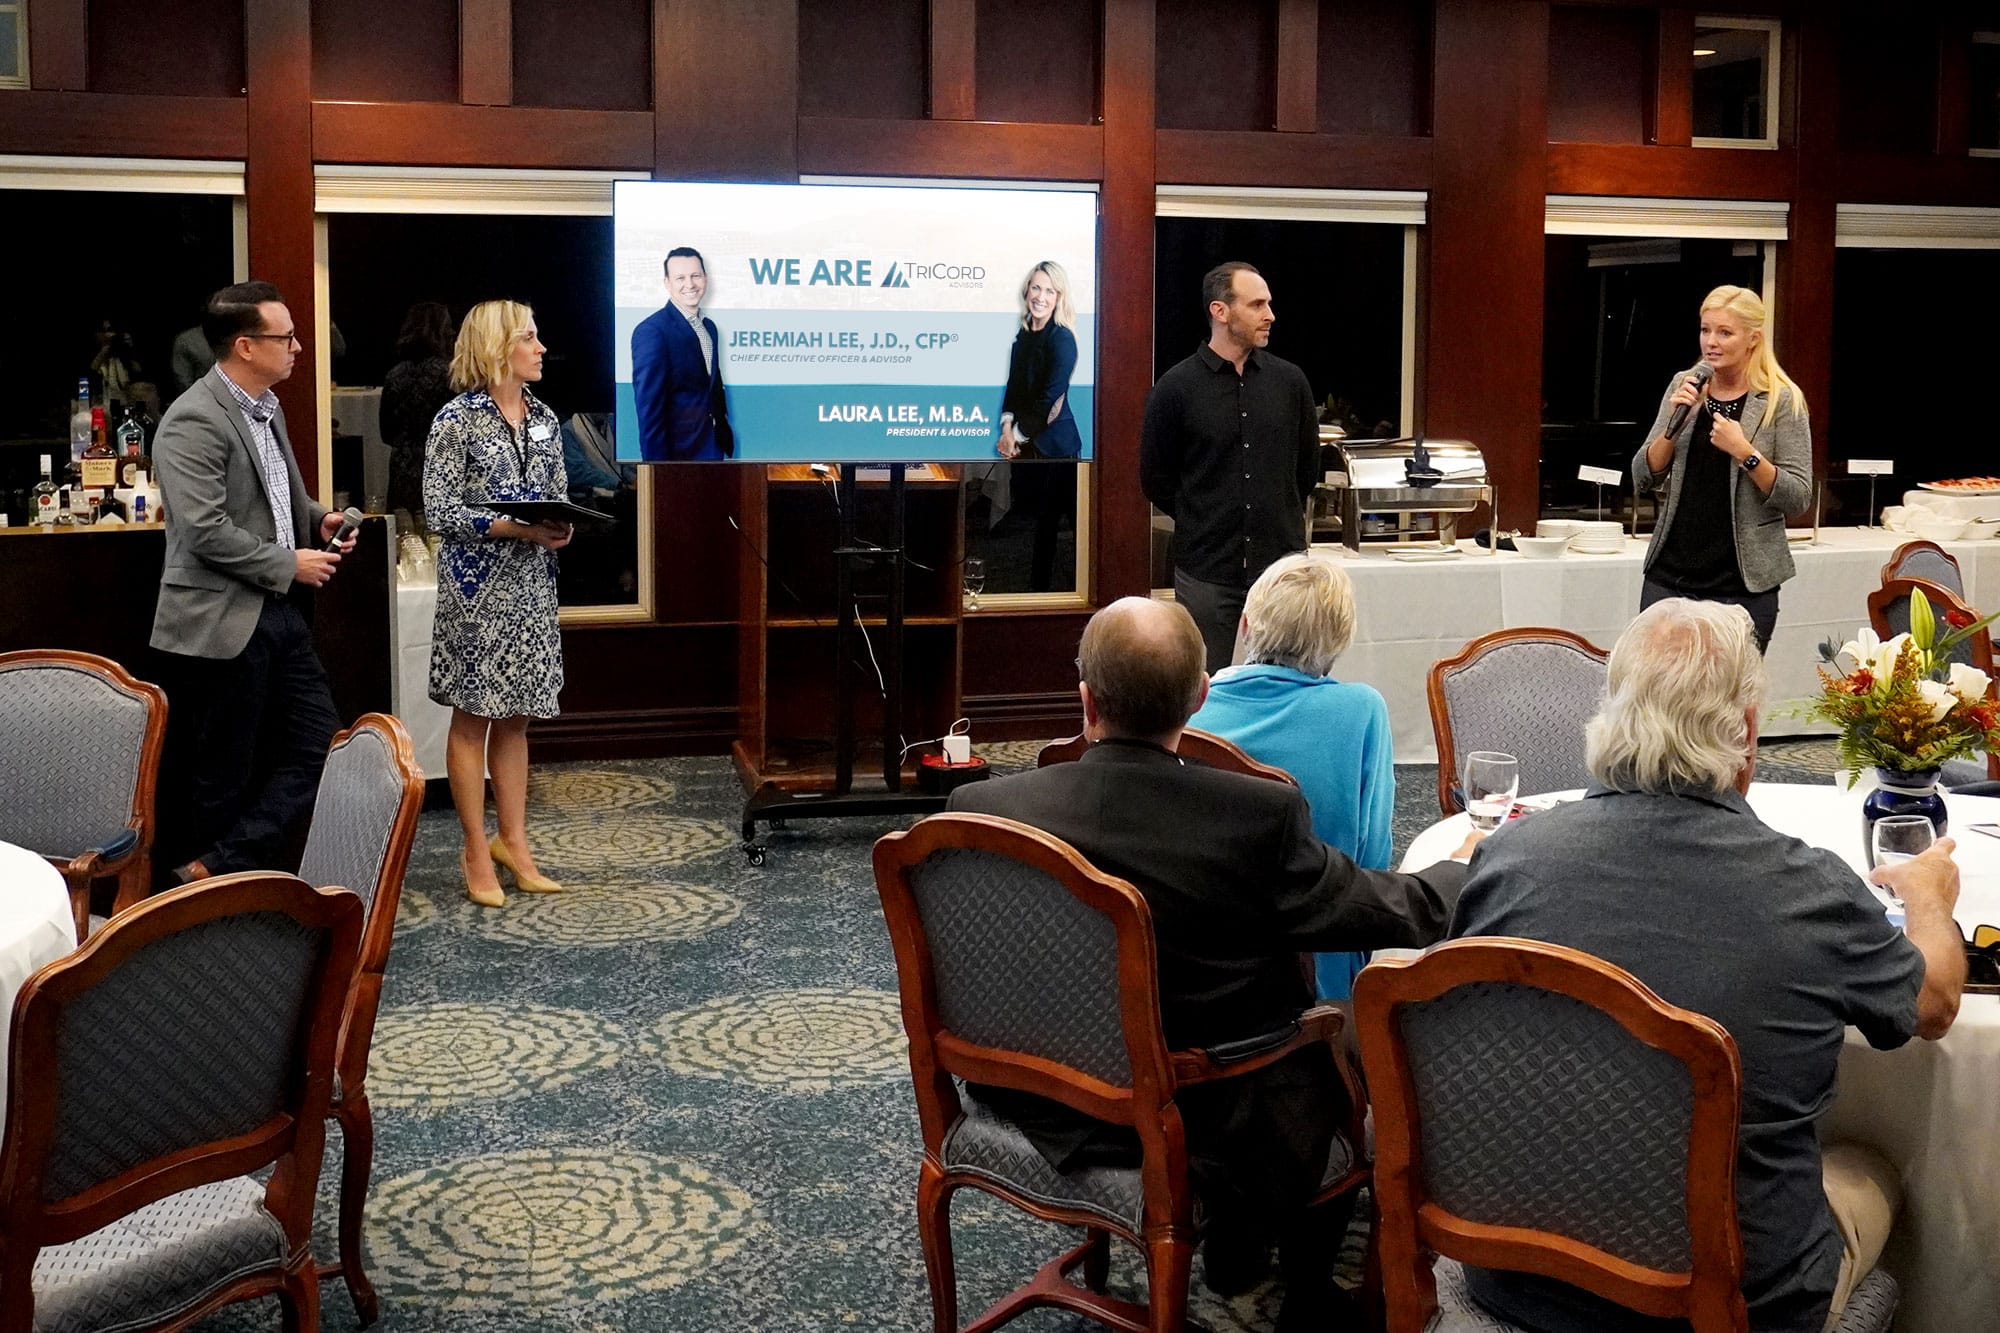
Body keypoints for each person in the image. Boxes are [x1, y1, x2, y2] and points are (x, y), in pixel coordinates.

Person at [948, 596, 1477, 1329]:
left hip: (1032, 1090)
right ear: (1199, 696)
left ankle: (1238, 1244)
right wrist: (1471, 865)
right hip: (1201, 1112)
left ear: (1086, 699)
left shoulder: (979, 807)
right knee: (1351, 1039)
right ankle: (1303, 1286)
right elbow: (1383, 909)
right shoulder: (1255, 815)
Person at [1447, 597, 1964, 1333]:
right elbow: (1935, 1004)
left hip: (1519, 1270)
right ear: (1747, 733)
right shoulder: (1809, 890)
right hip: (1729, 1300)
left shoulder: (1508, 858)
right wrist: (1930, 901)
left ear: (1612, 715)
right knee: (1877, 1163)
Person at [149, 280, 354, 883]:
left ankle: (215, 868)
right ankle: (209, 901)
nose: (297, 347)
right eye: (285, 337)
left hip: (279, 612)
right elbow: (204, 529)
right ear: (245, 345)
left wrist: (319, 519)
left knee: (321, 744)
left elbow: (271, 496)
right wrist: (289, 563)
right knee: (221, 771)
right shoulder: (192, 419)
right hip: (219, 621)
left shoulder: (266, 406)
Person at [1189, 551, 1393, 1001]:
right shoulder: (1361, 710)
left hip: (1197, 962)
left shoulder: (1192, 707)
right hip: (1321, 971)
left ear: (1245, 626)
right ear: (1339, 641)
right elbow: (1374, 858)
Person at [424, 300, 574, 908]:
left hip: (532, 588)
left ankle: (514, 842)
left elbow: (557, 495)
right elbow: (440, 511)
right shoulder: (456, 420)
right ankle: (474, 849)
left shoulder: (545, 417)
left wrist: (561, 526)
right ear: (498, 347)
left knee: (517, 718)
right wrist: (514, 527)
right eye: (529, 338)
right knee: (474, 718)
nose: (541, 348)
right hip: (475, 592)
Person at [1142, 261, 1320, 673]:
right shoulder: (1175, 388)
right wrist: (1203, 516)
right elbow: (1155, 478)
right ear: (1219, 311)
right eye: (1256, 305)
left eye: (1268, 304)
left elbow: (1306, 471)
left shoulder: (1290, 383)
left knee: (1288, 682)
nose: (1269, 315)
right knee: (1206, 682)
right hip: (1206, 570)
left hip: (1281, 570)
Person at [1633, 285, 1812, 653]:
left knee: (1731, 689)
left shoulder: (1781, 399)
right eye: (1705, 330)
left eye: (1725, 332)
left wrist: (1745, 453)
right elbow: (1642, 475)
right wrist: (1676, 427)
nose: (1710, 342)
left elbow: (1797, 498)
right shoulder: (1686, 384)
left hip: (1742, 585)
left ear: (1753, 339)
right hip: (1670, 576)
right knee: (1657, 684)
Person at [996, 261, 1083, 591]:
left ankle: (1055, 593)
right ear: (1026, 291)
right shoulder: (1023, 337)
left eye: (1049, 290)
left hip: (1059, 449)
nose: (1040, 296)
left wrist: (1015, 437)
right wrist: (1006, 428)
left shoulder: (1062, 339)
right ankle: (1035, 589)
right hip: (1029, 446)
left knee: (1059, 527)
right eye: (1036, 288)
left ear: (1059, 297)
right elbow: (1014, 387)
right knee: (1033, 524)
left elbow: (1051, 402)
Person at [630, 246, 733, 461]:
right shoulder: (652, 331)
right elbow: (649, 408)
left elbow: (710, 386)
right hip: (678, 455)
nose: (690, 284)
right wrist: (657, 468)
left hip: (712, 448)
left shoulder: (709, 328)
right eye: (680, 278)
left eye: (696, 275)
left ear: (705, 278)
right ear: (667, 283)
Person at [381, 300, 458, 533]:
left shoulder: (395, 374)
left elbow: (386, 431)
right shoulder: (451, 376)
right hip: (441, 465)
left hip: (403, 464)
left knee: (404, 536)